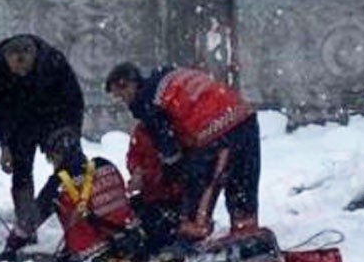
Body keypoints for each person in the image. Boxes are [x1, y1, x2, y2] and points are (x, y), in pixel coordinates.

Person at [104, 62, 261, 242]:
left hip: (218, 130)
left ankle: (189, 244)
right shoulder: (167, 80)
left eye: (122, 96)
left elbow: (170, 151)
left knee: (201, 188)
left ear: (128, 84)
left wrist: (170, 174)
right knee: (241, 184)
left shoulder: (148, 101)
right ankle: (246, 234)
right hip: (243, 115)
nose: (125, 102)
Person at [0, 34, 85, 253]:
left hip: (55, 116)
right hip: (19, 119)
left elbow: (74, 101)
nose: (20, 73)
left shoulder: (54, 62)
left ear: (34, 56)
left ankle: (76, 224)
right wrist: (4, 145)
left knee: (71, 169)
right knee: (21, 171)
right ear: (6, 59)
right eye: (15, 69)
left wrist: (69, 136)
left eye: (25, 68)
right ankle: (26, 226)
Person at [8, 127, 146, 262]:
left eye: (51, 158)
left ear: (58, 155)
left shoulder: (58, 184)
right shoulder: (105, 164)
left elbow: (29, 222)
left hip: (92, 258)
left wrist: (12, 245)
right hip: (131, 240)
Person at [125, 121, 185, 253]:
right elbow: (132, 156)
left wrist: (145, 176)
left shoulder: (172, 129)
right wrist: (136, 170)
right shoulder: (141, 130)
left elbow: (170, 170)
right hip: (150, 194)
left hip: (172, 196)